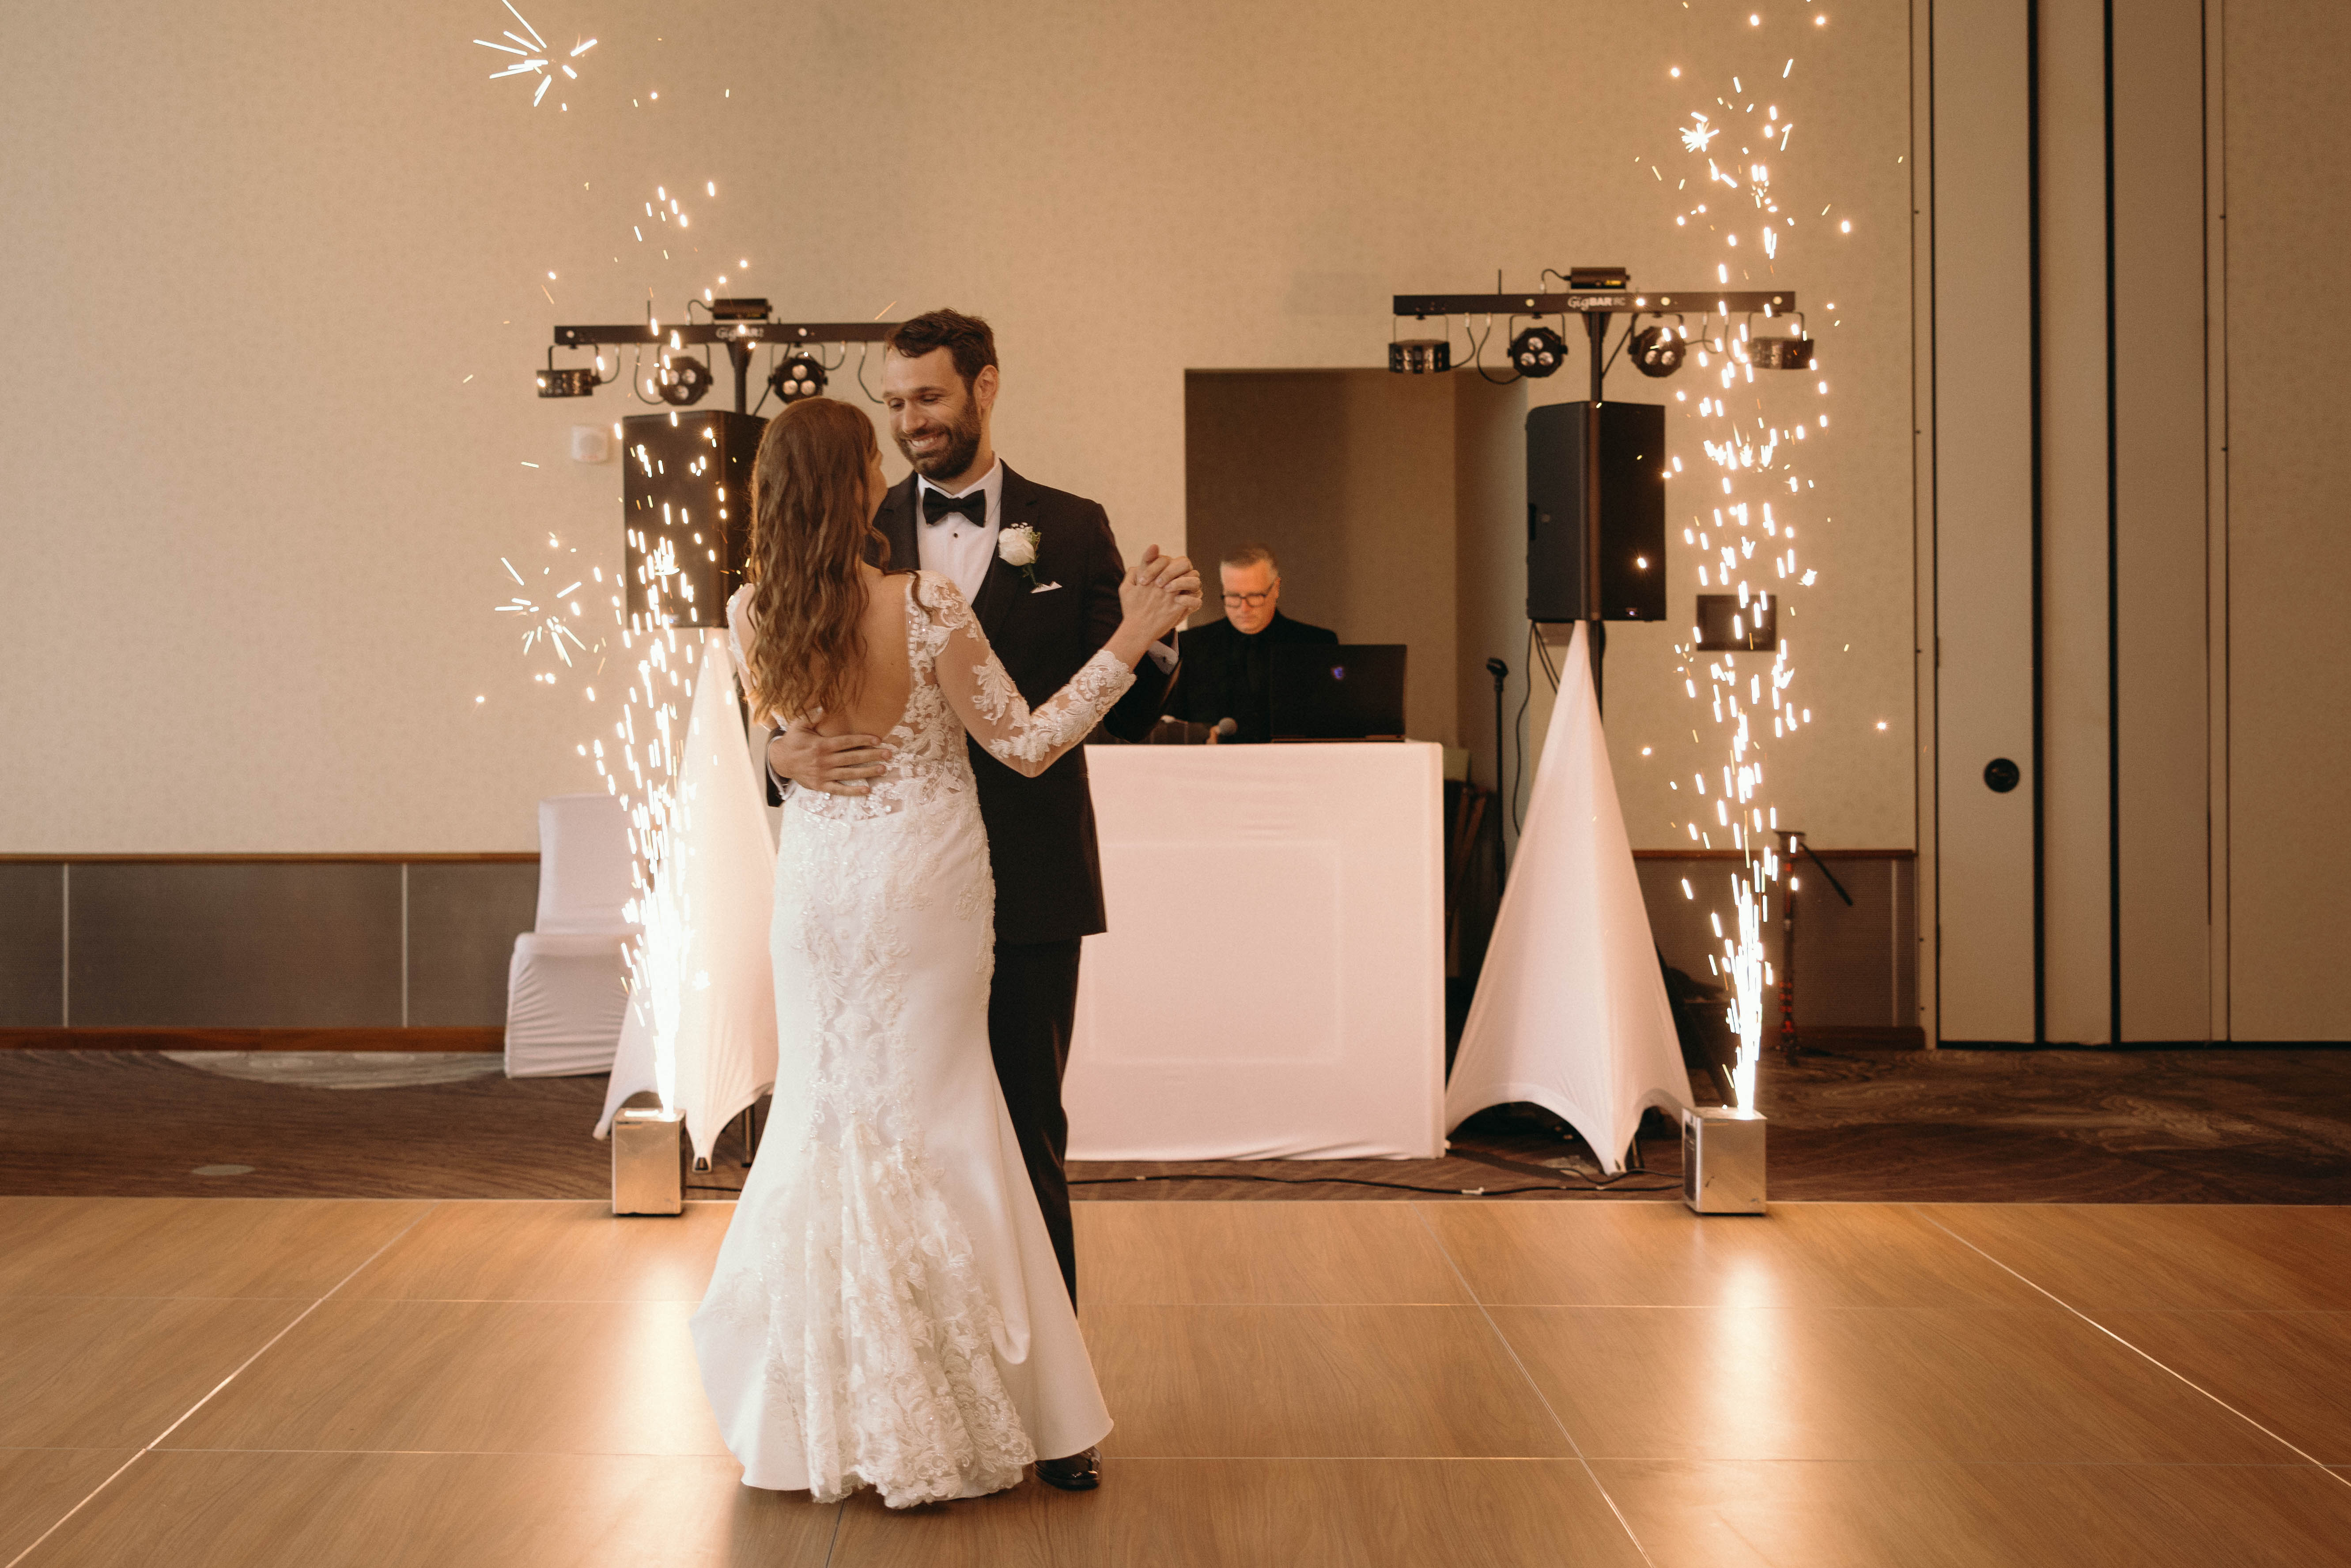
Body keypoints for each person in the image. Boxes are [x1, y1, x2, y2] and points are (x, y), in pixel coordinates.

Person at [691, 396, 1196, 1508]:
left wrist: (782, 746)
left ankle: (830, 1408)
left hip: (820, 895)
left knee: (830, 1117)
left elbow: (777, 733)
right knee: (944, 1117)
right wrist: (1126, 638)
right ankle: (981, 1405)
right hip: (923, 890)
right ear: (847, 486)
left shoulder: (747, 611)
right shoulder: (919, 601)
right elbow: (1021, 744)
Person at [1164, 543, 1338, 743]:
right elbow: (1171, 725)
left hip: (1295, 768)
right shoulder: (1191, 645)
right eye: (1233, 596)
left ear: (1276, 588)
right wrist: (1198, 735)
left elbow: (1331, 725)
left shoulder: (1317, 645)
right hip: (1213, 769)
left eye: (1255, 596)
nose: (1243, 608)